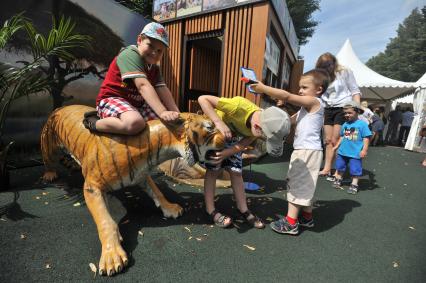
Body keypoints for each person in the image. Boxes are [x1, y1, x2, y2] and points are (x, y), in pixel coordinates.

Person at [250, 69, 330, 235]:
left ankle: (291, 223)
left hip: (306, 151)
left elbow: (287, 95)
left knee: (296, 186)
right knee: (304, 184)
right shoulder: (305, 110)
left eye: (304, 87)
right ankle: (306, 217)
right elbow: (288, 122)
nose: (300, 90)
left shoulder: (316, 102)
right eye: (300, 87)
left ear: (319, 90)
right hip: (306, 151)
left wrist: (263, 88)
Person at [197, 95, 290, 229]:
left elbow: (242, 144)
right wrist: (218, 122)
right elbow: (202, 99)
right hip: (216, 134)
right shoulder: (238, 106)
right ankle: (210, 209)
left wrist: (226, 154)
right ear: (257, 127)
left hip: (233, 141)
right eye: (264, 138)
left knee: (236, 173)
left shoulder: (262, 123)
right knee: (213, 171)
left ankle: (243, 208)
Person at [83, 22, 180, 135]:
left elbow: (162, 89)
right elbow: (143, 85)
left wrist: (177, 113)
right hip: (113, 98)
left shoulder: (154, 67)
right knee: (135, 123)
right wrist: (163, 111)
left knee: (166, 125)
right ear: (139, 40)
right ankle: (94, 123)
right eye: (150, 46)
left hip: (136, 106)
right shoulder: (130, 54)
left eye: (159, 51)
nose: (154, 53)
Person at [315, 53, 361, 178]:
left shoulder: (345, 72)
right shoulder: (320, 75)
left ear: (334, 63)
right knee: (328, 140)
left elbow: (355, 91)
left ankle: (335, 169)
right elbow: (318, 93)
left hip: (343, 108)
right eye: (323, 66)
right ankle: (327, 168)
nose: (327, 68)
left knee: (336, 140)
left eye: (329, 65)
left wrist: (356, 110)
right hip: (327, 108)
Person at [332, 101, 372, 194]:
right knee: (340, 167)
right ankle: (338, 179)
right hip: (343, 151)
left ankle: (354, 184)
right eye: (345, 113)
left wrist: (364, 150)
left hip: (355, 153)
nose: (347, 115)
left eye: (350, 113)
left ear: (357, 112)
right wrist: (337, 146)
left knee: (355, 169)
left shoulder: (362, 124)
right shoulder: (345, 124)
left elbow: (366, 138)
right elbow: (342, 136)